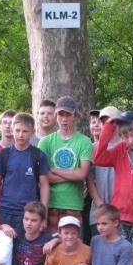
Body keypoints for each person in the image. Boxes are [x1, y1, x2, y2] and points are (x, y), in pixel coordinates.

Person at [93, 110, 133, 247]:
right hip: (118, 217)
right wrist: (109, 126)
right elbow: (98, 158)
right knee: (119, 255)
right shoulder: (121, 148)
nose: (129, 140)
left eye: (132, 135)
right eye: (125, 136)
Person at [0, 112, 50, 237]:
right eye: (17, 130)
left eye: (25, 131)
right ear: (12, 130)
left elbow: (44, 186)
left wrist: (44, 215)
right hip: (5, 211)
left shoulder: (38, 155)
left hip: (29, 214)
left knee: (25, 253)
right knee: (4, 253)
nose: (20, 135)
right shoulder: (4, 154)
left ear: (33, 132)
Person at [38, 96, 93, 233]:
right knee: (51, 250)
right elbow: (44, 177)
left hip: (73, 204)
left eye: (68, 114)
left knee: (73, 251)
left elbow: (82, 175)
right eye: (61, 114)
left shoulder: (84, 141)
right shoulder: (45, 142)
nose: (64, 118)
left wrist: (54, 170)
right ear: (56, 116)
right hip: (51, 204)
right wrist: (72, 175)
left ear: (75, 116)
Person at [86, 107, 118, 240]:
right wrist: (99, 203)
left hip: (119, 211)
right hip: (98, 211)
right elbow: (89, 179)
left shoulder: (125, 146)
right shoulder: (93, 148)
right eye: (102, 121)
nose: (105, 124)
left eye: (109, 121)